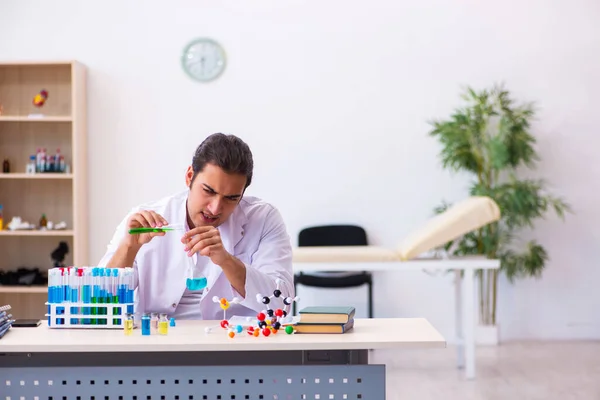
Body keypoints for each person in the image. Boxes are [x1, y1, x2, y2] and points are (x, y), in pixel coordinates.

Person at [97, 133, 294, 320]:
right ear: (189, 176)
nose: (215, 208)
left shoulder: (264, 219)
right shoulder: (143, 220)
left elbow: (281, 305)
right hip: (158, 342)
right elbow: (99, 303)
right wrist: (128, 248)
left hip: (232, 344)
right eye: (208, 191)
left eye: (231, 198)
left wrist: (226, 261)